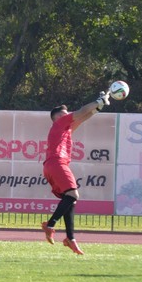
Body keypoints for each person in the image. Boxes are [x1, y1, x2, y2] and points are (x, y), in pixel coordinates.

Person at [41, 92, 110, 255]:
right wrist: (98, 101)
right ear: (58, 117)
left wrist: (98, 107)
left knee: (70, 200)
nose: (69, 115)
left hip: (55, 165)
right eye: (65, 113)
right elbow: (81, 112)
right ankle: (50, 225)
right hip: (56, 163)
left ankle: (70, 239)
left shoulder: (66, 129)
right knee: (73, 195)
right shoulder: (60, 123)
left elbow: (82, 117)